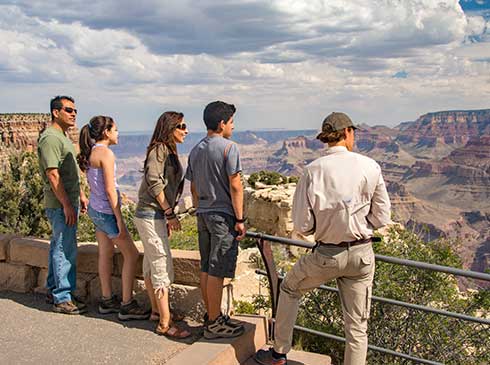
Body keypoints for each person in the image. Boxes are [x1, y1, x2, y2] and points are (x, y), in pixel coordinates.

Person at [255, 112, 392, 365]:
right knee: (357, 327)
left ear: (326, 138)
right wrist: (360, 224)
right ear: (348, 133)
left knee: (290, 288)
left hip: (327, 255)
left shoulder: (311, 171)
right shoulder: (370, 166)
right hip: (362, 256)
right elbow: (382, 218)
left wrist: (326, 225)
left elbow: (303, 226)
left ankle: (279, 354)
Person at [77, 116, 149, 320]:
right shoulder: (106, 154)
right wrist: (119, 219)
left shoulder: (91, 152)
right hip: (107, 213)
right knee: (132, 254)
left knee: (105, 253)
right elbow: (110, 190)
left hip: (95, 210)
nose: (118, 133)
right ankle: (127, 304)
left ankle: (107, 300)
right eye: (116, 129)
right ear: (106, 132)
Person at [186, 101, 247, 339]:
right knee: (217, 270)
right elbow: (235, 185)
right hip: (223, 216)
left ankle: (212, 316)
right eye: (231, 121)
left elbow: (192, 187)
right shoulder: (228, 148)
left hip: (203, 213)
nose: (233, 126)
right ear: (222, 124)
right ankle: (214, 323)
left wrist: (201, 207)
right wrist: (240, 218)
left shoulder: (196, 149)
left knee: (206, 267)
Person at [133, 111, 191, 338]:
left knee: (150, 263)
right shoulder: (159, 150)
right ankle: (165, 324)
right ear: (169, 128)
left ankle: (157, 312)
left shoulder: (167, 150)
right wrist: (168, 212)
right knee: (160, 263)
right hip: (151, 214)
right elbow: (154, 180)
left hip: (150, 215)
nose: (185, 130)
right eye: (181, 126)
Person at [38, 95, 88, 314]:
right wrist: (67, 204)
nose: (73, 114)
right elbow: (53, 175)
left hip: (67, 200)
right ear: (55, 112)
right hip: (60, 203)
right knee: (65, 249)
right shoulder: (50, 138)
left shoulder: (64, 136)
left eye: (75, 110)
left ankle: (54, 290)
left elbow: (71, 173)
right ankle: (63, 297)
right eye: (68, 110)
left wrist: (82, 195)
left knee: (58, 245)